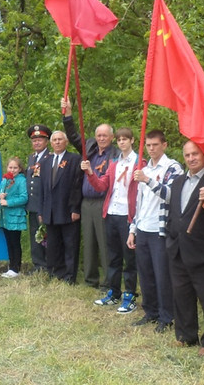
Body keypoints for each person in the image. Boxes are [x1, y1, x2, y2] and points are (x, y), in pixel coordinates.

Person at [165, 141, 204, 357]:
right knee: (181, 295)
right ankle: (185, 335)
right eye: (187, 154)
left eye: (195, 154)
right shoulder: (178, 181)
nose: (191, 158)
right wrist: (171, 235)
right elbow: (175, 212)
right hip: (178, 248)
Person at [127, 130, 183, 333]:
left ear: (164, 145)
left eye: (155, 145)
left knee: (162, 275)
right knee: (146, 274)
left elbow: (171, 195)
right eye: (148, 145)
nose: (151, 148)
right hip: (143, 227)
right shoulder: (144, 168)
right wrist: (133, 229)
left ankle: (166, 316)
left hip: (160, 230)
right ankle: (150, 312)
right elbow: (139, 203)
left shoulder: (172, 167)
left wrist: (148, 180)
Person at [81, 127, 139, 313]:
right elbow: (101, 185)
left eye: (125, 139)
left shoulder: (139, 163)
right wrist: (90, 172)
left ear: (132, 141)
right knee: (113, 255)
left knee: (129, 258)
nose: (122, 142)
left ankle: (129, 295)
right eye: (120, 139)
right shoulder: (114, 163)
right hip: (111, 213)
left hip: (127, 215)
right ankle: (114, 292)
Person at [62, 99, 117, 289]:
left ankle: (109, 280)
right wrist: (67, 115)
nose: (101, 138)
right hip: (86, 202)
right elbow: (74, 136)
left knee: (104, 242)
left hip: (104, 201)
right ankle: (90, 279)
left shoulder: (115, 155)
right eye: (99, 135)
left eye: (105, 135)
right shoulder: (90, 149)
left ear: (112, 137)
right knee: (89, 242)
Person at [38, 130, 82, 284]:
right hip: (49, 211)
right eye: (54, 140)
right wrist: (41, 210)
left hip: (68, 210)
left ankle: (69, 276)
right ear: (51, 143)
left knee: (70, 245)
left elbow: (77, 186)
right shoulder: (45, 162)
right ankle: (54, 273)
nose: (57, 142)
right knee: (53, 246)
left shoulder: (75, 159)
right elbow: (42, 188)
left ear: (66, 142)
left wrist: (76, 208)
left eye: (60, 139)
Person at [0, 157, 28, 278]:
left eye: (15, 168)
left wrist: (9, 202)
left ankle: (16, 268)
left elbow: (24, 198)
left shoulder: (21, 180)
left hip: (15, 216)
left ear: (20, 169)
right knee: (8, 241)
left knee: (15, 242)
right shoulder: (5, 179)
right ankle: (11, 266)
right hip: (5, 216)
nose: (12, 170)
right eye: (10, 167)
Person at [25, 124, 52, 273]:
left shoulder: (51, 158)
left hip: (45, 205)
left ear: (46, 141)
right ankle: (38, 266)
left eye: (40, 139)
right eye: (34, 140)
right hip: (32, 204)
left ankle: (49, 266)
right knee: (34, 236)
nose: (36, 142)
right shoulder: (31, 158)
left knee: (46, 237)